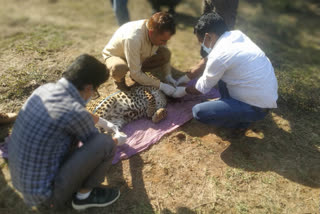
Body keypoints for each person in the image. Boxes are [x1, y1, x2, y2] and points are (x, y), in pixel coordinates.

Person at [8, 54, 127, 211]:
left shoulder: (44, 90)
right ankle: (83, 197)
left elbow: (77, 113)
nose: (93, 96)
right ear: (89, 88)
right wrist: (117, 140)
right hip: (46, 197)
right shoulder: (74, 111)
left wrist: (103, 122)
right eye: (95, 91)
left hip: (23, 182)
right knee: (105, 144)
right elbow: (97, 145)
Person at [173, 12, 278, 130]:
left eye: (201, 42)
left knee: (198, 112)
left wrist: (182, 91)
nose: (203, 46)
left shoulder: (219, 56)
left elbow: (200, 88)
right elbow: (208, 60)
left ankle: (241, 123)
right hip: (266, 98)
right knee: (221, 76)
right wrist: (187, 77)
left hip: (255, 108)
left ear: (208, 36)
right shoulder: (236, 35)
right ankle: (234, 108)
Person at [102, 12, 177, 96]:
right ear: (151, 32)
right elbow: (135, 74)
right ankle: (120, 84)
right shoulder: (133, 38)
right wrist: (161, 86)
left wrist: (168, 76)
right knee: (119, 68)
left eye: (166, 40)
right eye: (162, 40)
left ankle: (139, 74)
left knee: (165, 53)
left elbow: (164, 52)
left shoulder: (158, 30)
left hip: (138, 55)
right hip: (118, 56)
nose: (164, 43)